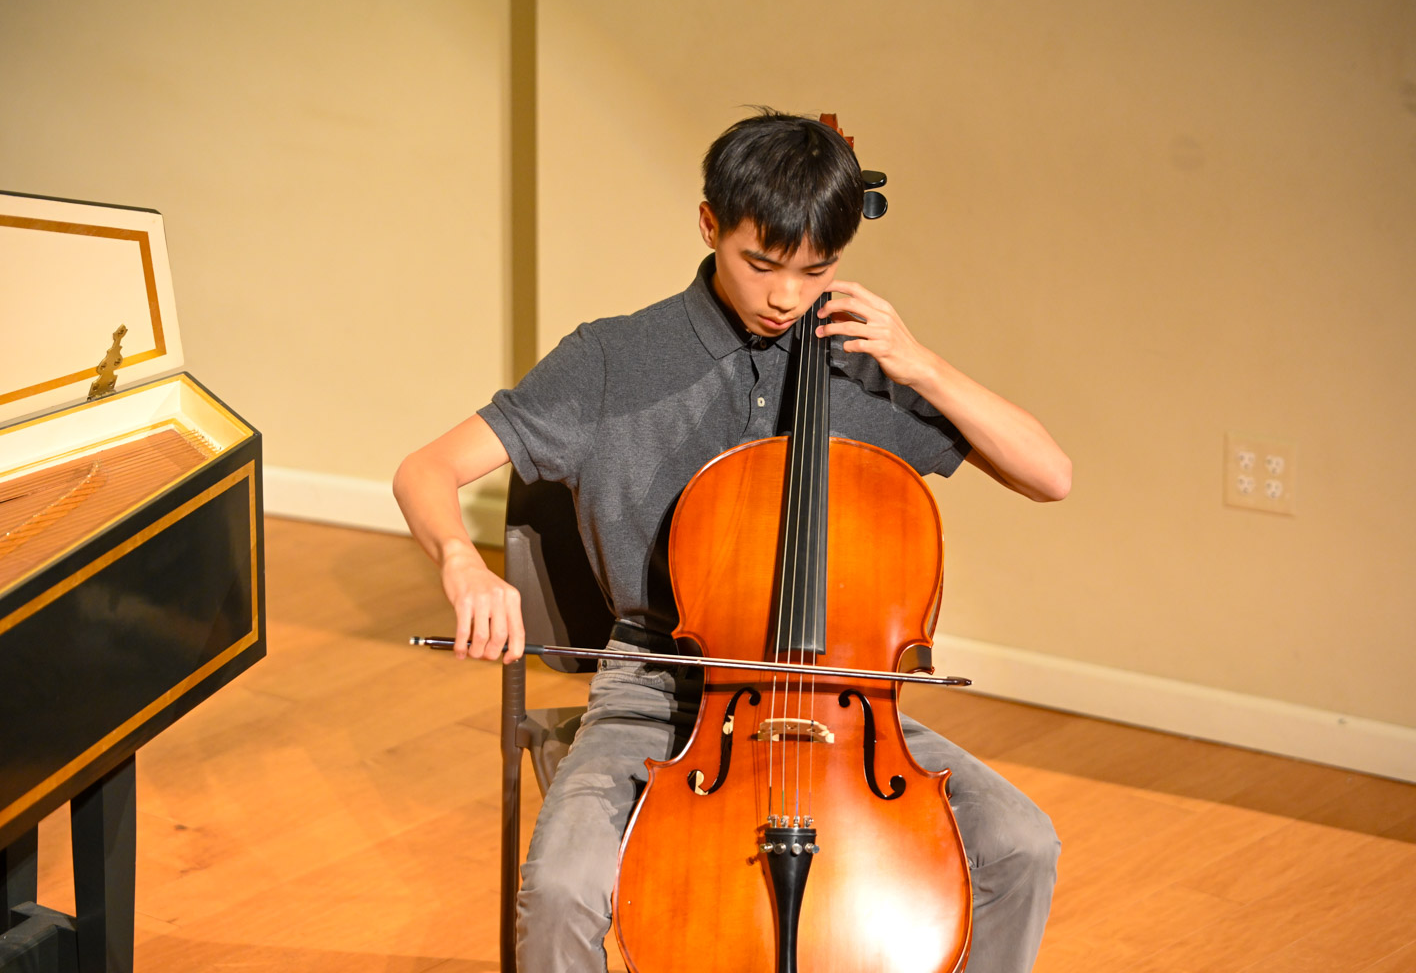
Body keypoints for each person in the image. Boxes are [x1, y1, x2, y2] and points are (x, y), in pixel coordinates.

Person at [393, 110, 1071, 972]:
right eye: (761, 264)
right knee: (561, 891)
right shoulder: (612, 358)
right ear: (710, 224)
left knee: (1022, 846)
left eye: (816, 270)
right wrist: (463, 563)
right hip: (656, 687)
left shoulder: (863, 365)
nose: (787, 296)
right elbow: (426, 470)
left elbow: (1050, 474)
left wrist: (920, 364)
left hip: (836, 695)